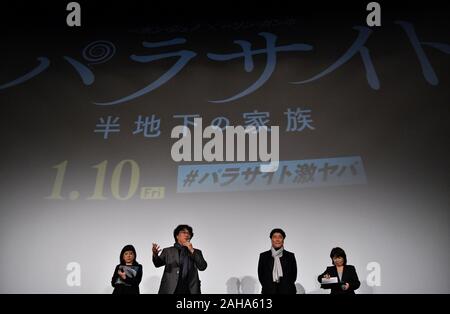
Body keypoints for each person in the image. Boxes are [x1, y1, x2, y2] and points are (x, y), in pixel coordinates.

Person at [152, 224, 207, 294]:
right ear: (177, 236)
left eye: (189, 233)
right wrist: (155, 255)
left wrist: (192, 250)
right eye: (184, 232)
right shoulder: (168, 251)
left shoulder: (196, 252)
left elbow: (202, 267)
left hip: (190, 289)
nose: (187, 235)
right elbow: (157, 264)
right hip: (170, 289)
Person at [257, 228, 297, 294]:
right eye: (275, 237)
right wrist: (268, 287)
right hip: (268, 291)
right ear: (271, 239)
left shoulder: (290, 256)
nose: (277, 239)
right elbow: (261, 275)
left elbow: (293, 276)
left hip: (287, 291)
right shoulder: (263, 256)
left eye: (280, 237)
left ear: (283, 240)